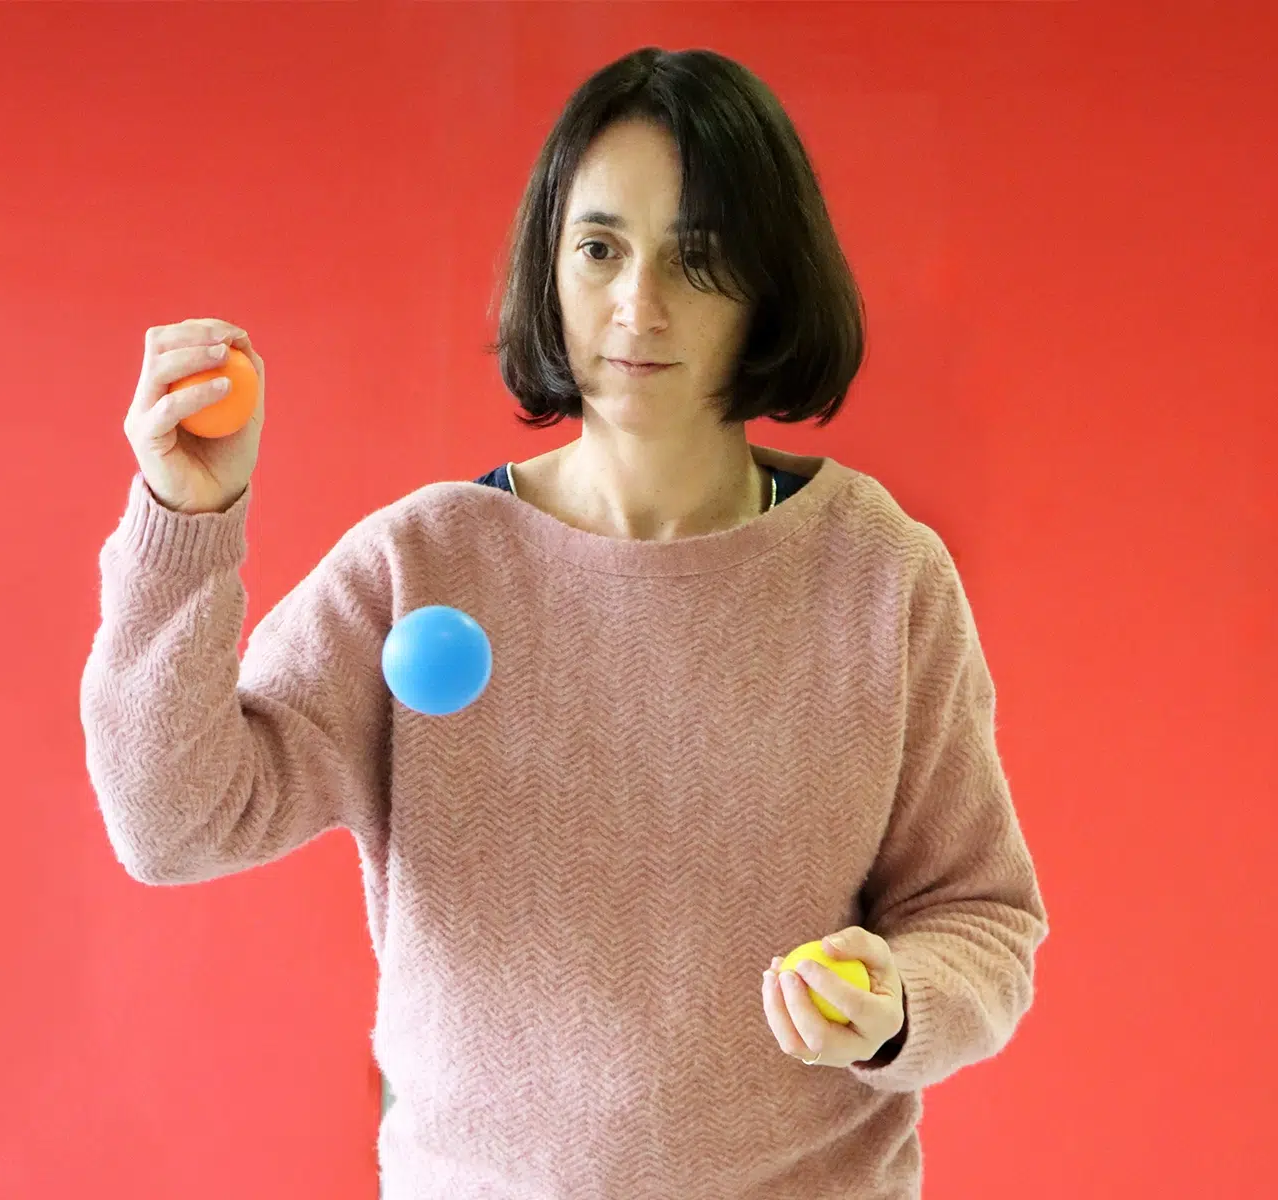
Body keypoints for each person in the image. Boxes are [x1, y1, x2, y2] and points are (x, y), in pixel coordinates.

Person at [81, 46, 1048, 1200]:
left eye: (696, 256)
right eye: (600, 248)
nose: (639, 304)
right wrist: (185, 520)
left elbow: (979, 916)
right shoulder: (422, 563)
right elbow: (173, 822)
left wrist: (899, 1004)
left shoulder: (882, 575)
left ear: (769, 284)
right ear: (551, 267)